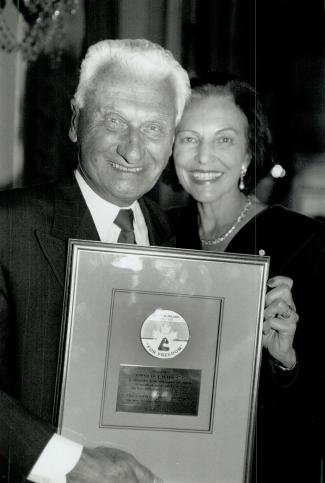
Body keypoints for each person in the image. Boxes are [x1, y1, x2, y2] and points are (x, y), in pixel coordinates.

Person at [0, 38, 190, 483]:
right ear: (75, 122)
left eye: (154, 128)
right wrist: (68, 463)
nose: (133, 150)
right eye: (114, 121)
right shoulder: (8, 227)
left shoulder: (182, 242)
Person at [171, 80, 325, 482]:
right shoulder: (156, 236)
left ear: (248, 153)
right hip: (168, 461)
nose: (203, 156)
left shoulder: (305, 244)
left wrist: (285, 359)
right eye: (188, 137)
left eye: (224, 139)